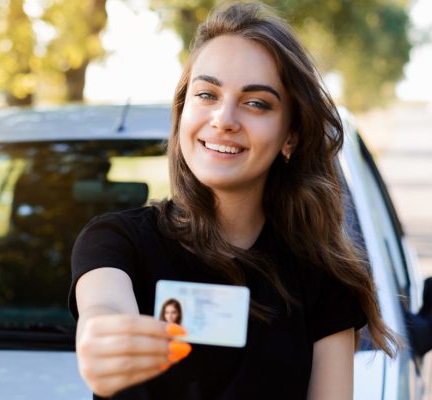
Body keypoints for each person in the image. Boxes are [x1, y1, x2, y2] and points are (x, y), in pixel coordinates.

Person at [69, 2, 397, 399]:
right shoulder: (116, 242)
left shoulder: (322, 278)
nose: (224, 118)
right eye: (207, 94)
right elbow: (103, 310)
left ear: (290, 136)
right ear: (182, 112)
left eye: (256, 102)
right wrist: (100, 341)